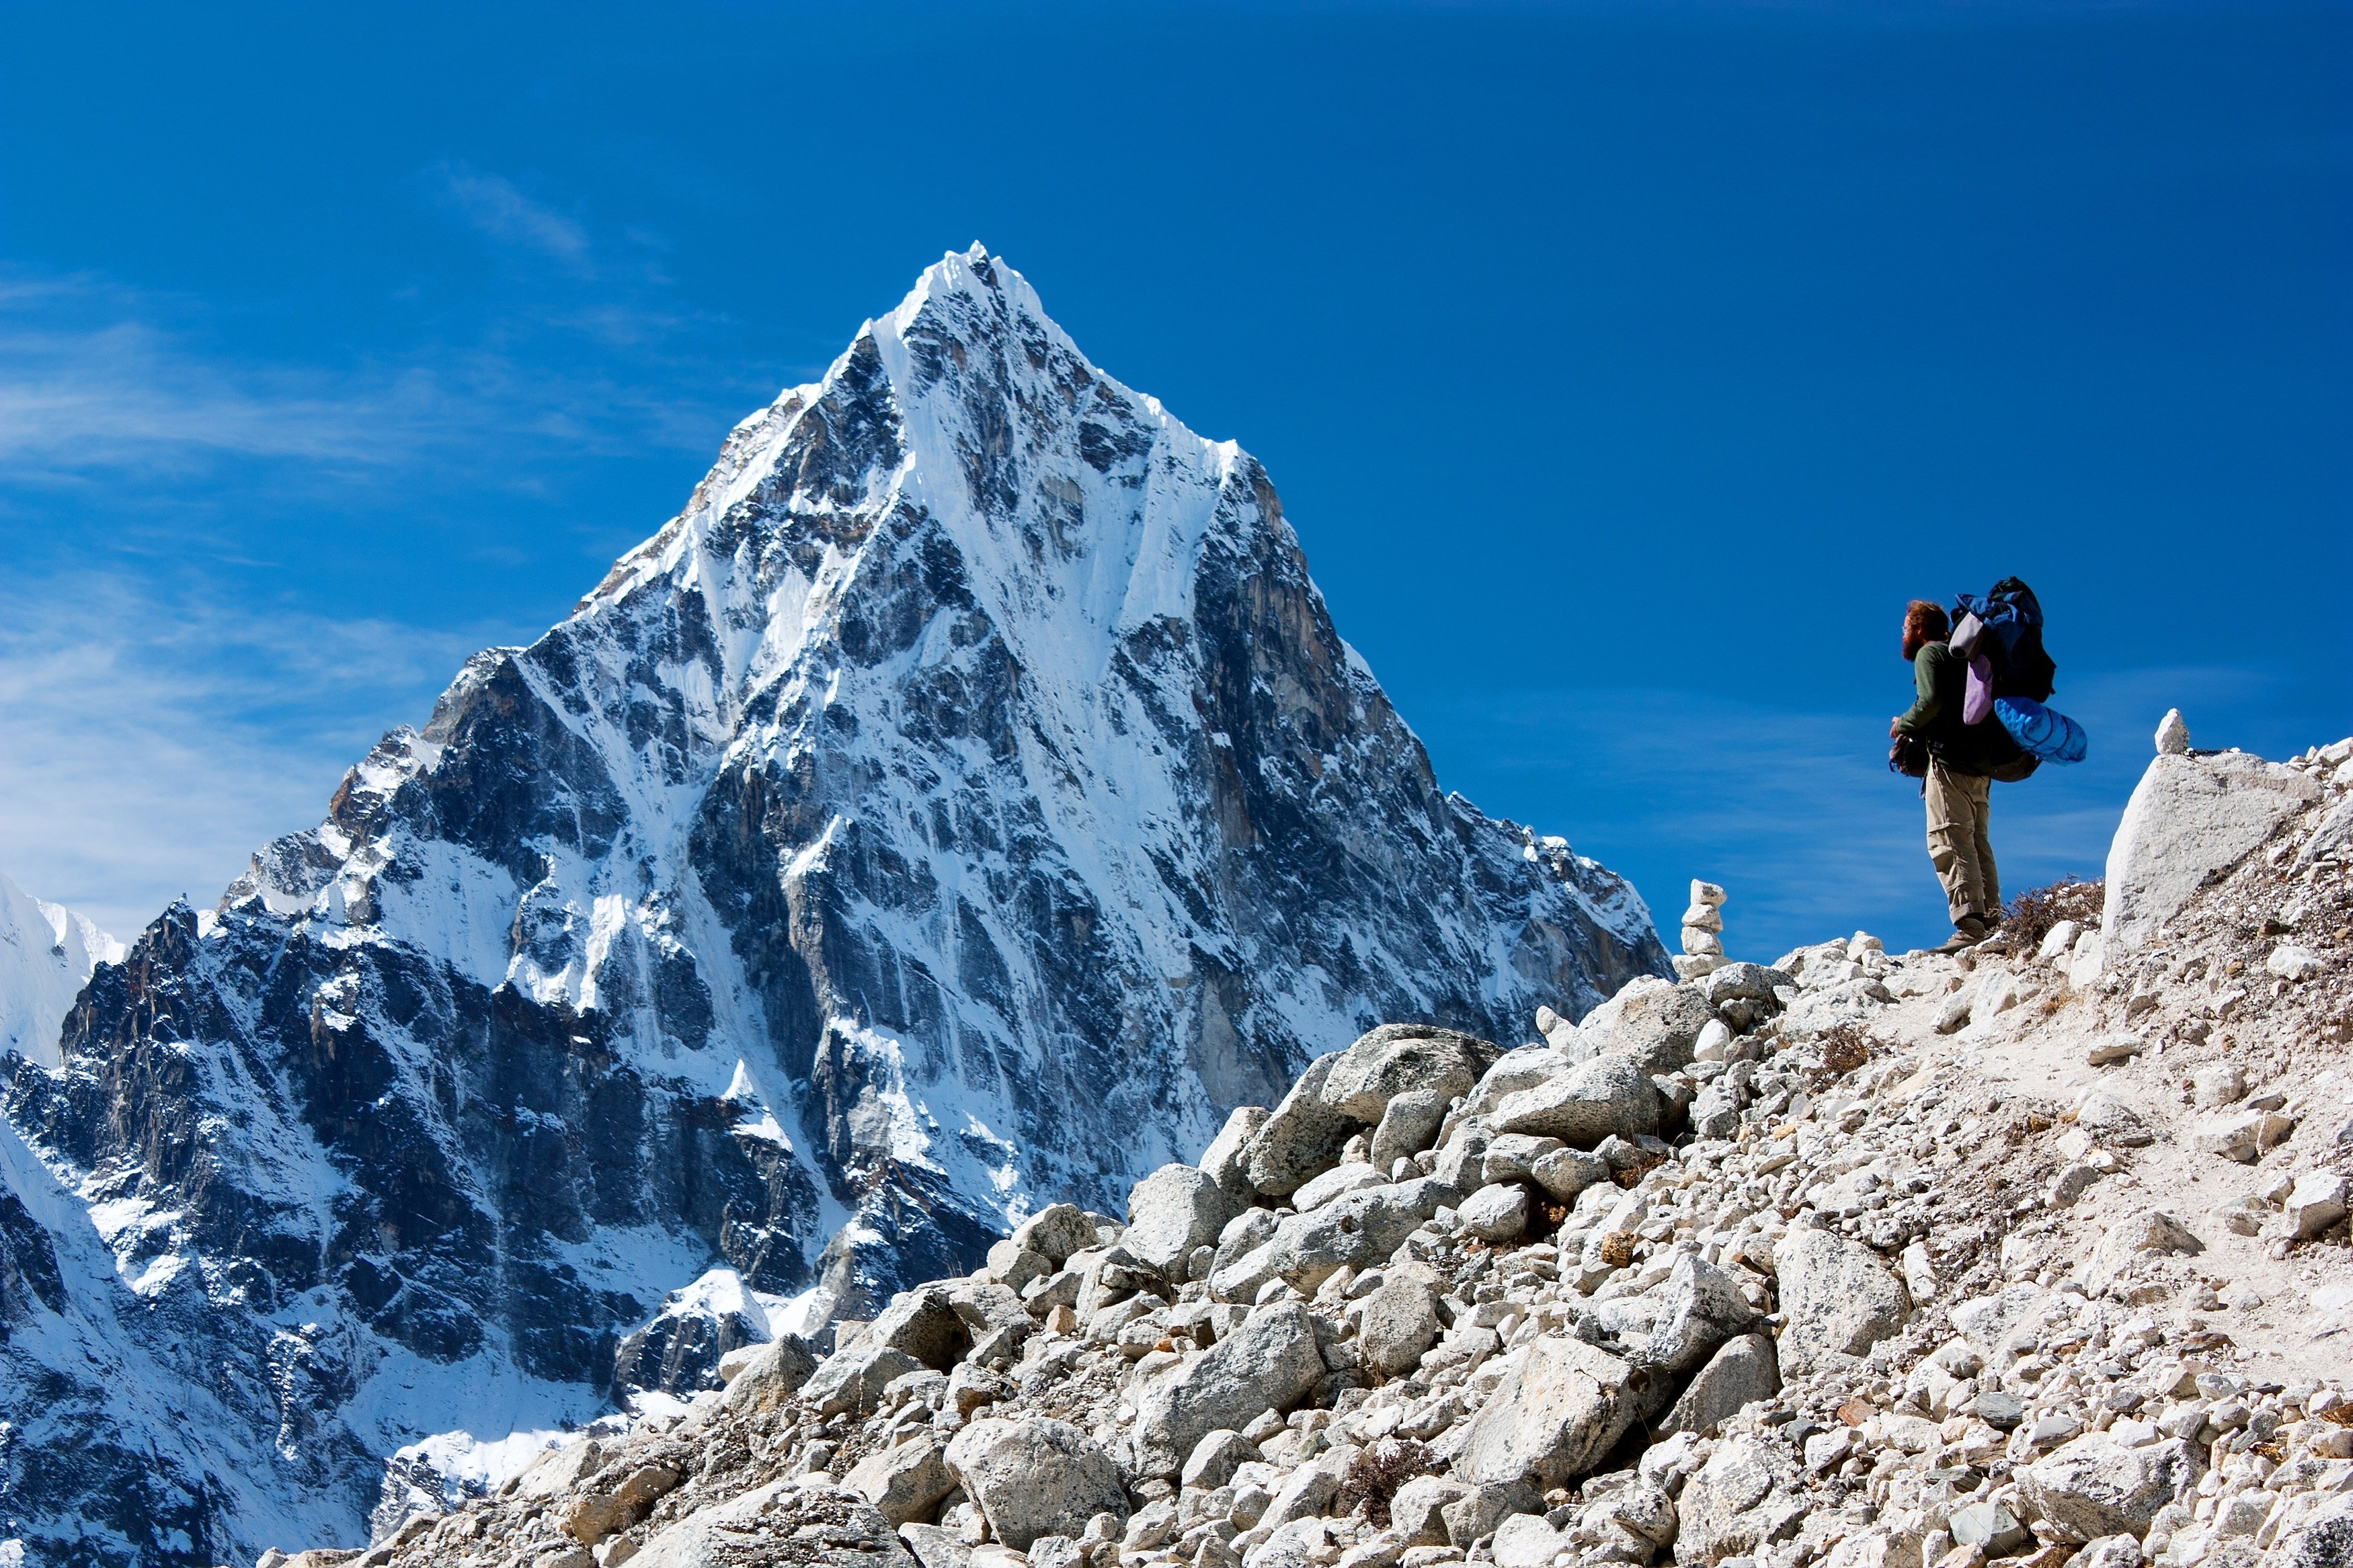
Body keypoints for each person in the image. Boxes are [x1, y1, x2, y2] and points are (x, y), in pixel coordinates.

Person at [1889, 598, 2028, 952]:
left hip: (1949, 763)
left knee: (1948, 838)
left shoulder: (1929, 655)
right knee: (1978, 841)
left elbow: (1931, 701)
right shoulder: (1960, 657)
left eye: (1906, 627)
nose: (1903, 634)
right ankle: (1994, 921)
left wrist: (1901, 724)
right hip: (1980, 766)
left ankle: (1970, 925)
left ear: (1919, 629)